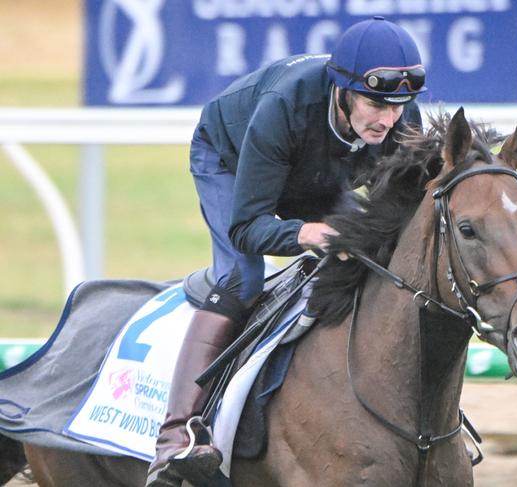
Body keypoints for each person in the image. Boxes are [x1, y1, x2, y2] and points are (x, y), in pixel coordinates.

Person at [146, 16, 427, 487]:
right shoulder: (284, 107)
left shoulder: (400, 121)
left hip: (314, 168)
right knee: (242, 278)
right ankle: (174, 439)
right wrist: (307, 235)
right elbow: (248, 227)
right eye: (376, 102)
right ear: (342, 90)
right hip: (229, 160)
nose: (389, 119)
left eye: (400, 105)